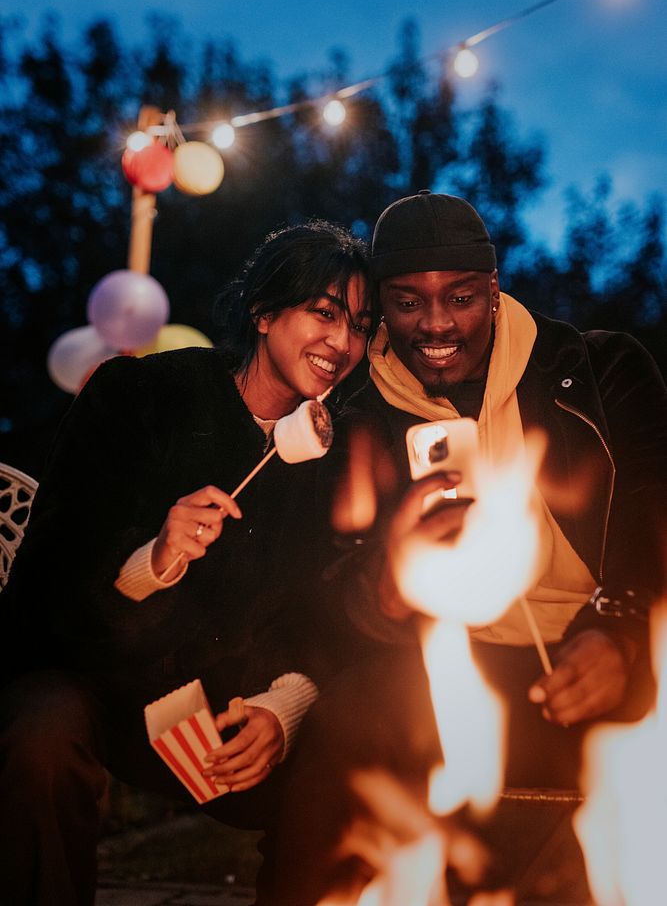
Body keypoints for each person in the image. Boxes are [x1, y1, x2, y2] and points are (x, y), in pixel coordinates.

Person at [269, 191, 667, 905]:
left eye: (458, 297)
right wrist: (385, 582)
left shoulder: (598, 370)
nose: (436, 324)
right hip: (450, 666)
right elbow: (319, 603)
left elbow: (652, 519)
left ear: (492, 287)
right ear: (381, 310)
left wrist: (618, 628)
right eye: (407, 302)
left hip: (601, 648)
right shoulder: (356, 421)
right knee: (349, 718)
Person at [0, 220, 371, 906]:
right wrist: (154, 558)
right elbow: (44, 585)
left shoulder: (339, 462)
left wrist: (281, 710)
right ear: (263, 312)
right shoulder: (139, 395)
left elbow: (332, 618)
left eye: (359, 324)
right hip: (97, 687)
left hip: (226, 719)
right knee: (38, 732)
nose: (341, 342)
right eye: (323, 312)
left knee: (345, 767)